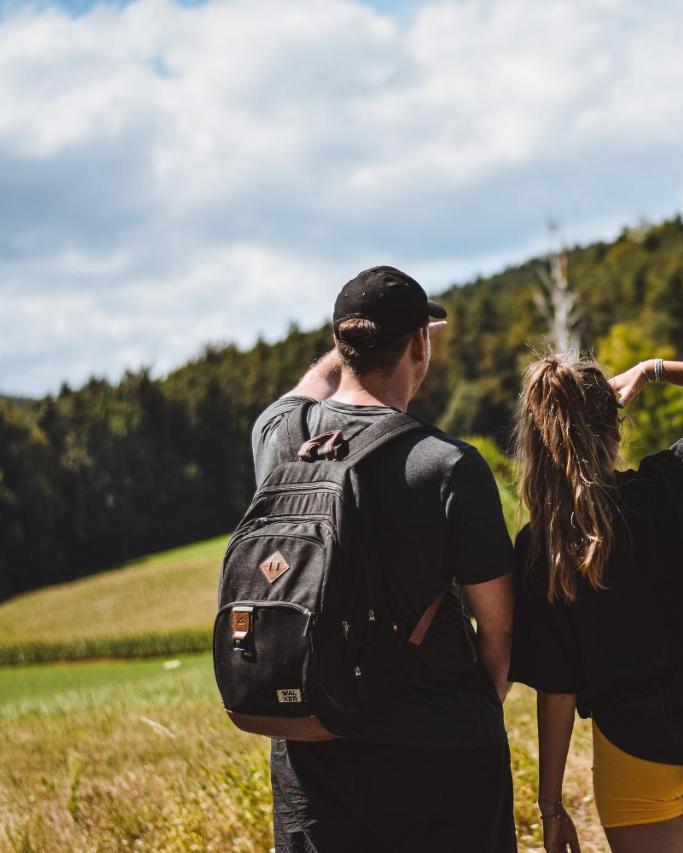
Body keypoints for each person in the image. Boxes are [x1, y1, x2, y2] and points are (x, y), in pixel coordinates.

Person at [250, 266, 518, 852]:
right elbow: (497, 628)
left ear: (343, 343)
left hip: (313, 745)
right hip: (442, 753)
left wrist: (353, 343)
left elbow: (309, 387)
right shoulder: (449, 465)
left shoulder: (278, 436)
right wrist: (474, 708)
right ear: (421, 343)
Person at [509, 354, 683, 853]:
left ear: (539, 439)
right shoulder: (668, 487)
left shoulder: (542, 544)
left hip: (634, 748)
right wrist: (655, 369)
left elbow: (559, 691)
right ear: (616, 423)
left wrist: (551, 805)